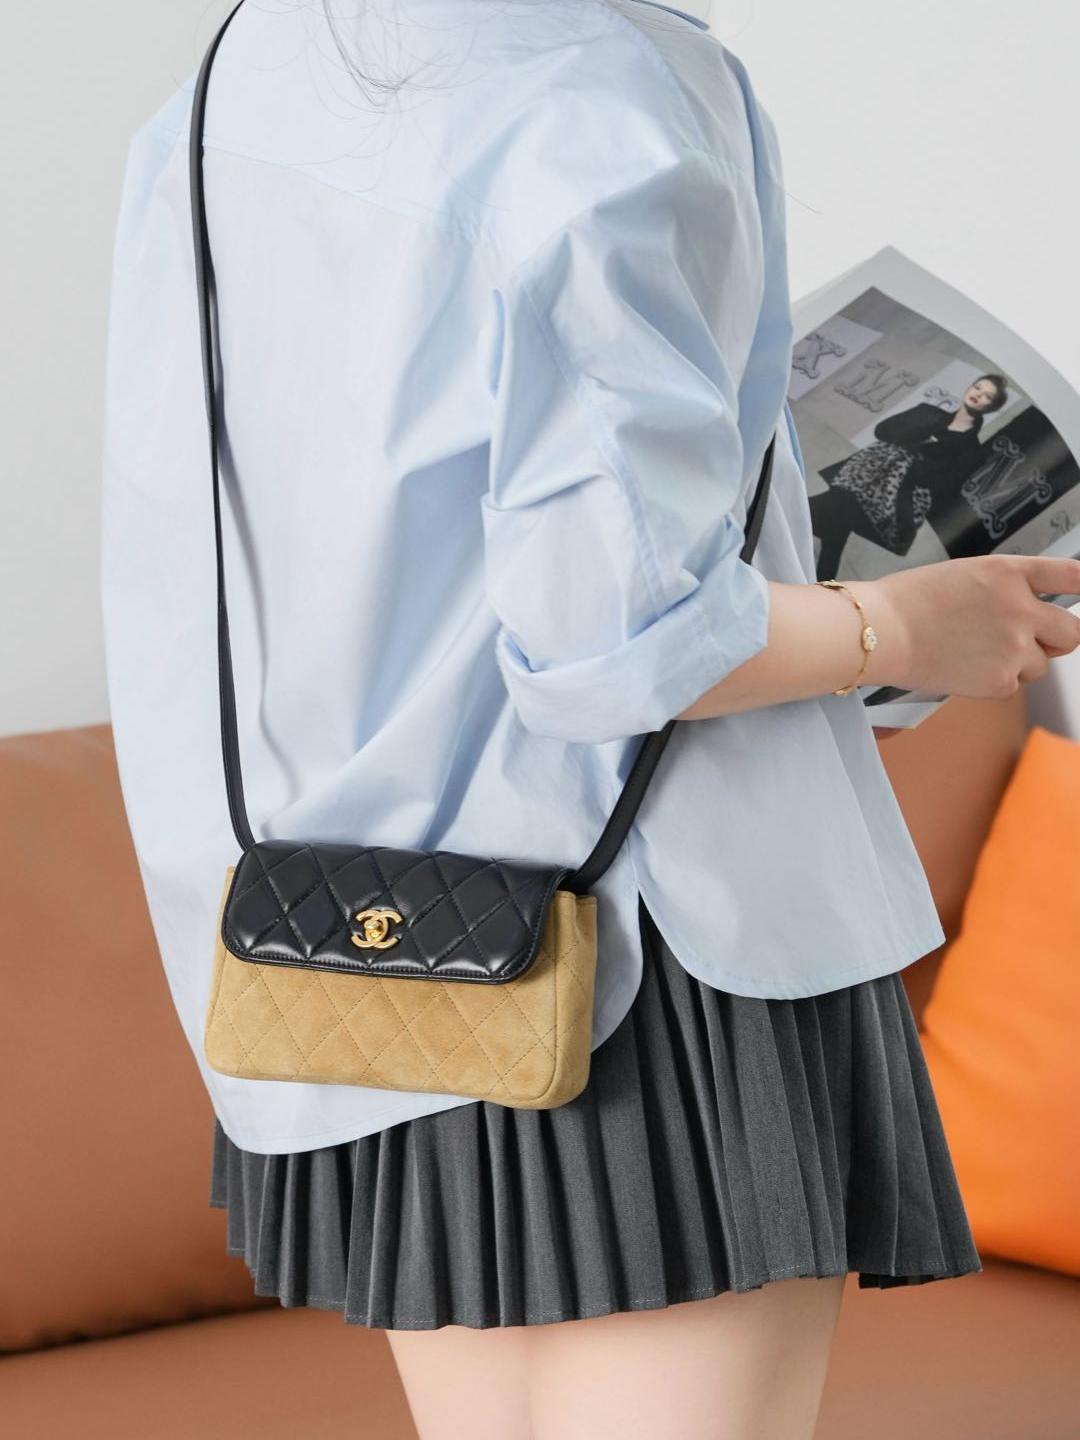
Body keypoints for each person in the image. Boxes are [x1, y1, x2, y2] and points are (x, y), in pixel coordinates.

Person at [99, 2, 1080, 1437]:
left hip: (363, 947)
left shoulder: (238, 71)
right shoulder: (605, 88)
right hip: (646, 956)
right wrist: (901, 628)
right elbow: (620, 642)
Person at [809, 376, 1007, 579]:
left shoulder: (972, 451)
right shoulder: (927, 413)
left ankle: (821, 578)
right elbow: (882, 431)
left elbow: (946, 487)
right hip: (867, 474)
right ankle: (823, 583)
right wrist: (920, 433)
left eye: (987, 396)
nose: (978, 395)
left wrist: (915, 461)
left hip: (899, 497)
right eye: (977, 387)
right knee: (834, 530)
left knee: (826, 518)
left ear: (991, 406)